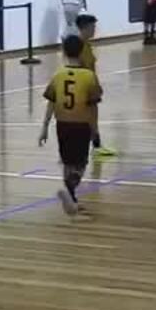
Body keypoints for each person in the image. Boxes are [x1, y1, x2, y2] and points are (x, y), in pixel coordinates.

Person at [38, 35, 103, 216]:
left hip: (62, 124)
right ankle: (70, 189)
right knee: (80, 164)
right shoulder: (89, 76)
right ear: (82, 51)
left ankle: (72, 200)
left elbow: (51, 101)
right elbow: (93, 106)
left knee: (67, 162)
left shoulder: (58, 75)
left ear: (64, 51)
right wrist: (95, 129)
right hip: (81, 124)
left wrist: (44, 127)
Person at [74, 14, 117, 158]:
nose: (94, 30)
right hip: (84, 87)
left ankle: (95, 145)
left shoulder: (86, 45)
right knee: (88, 118)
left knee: (92, 117)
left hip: (89, 86)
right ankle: (88, 147)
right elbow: (83, 68)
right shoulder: (79, 46)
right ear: (85, 28)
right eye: (92, 27)